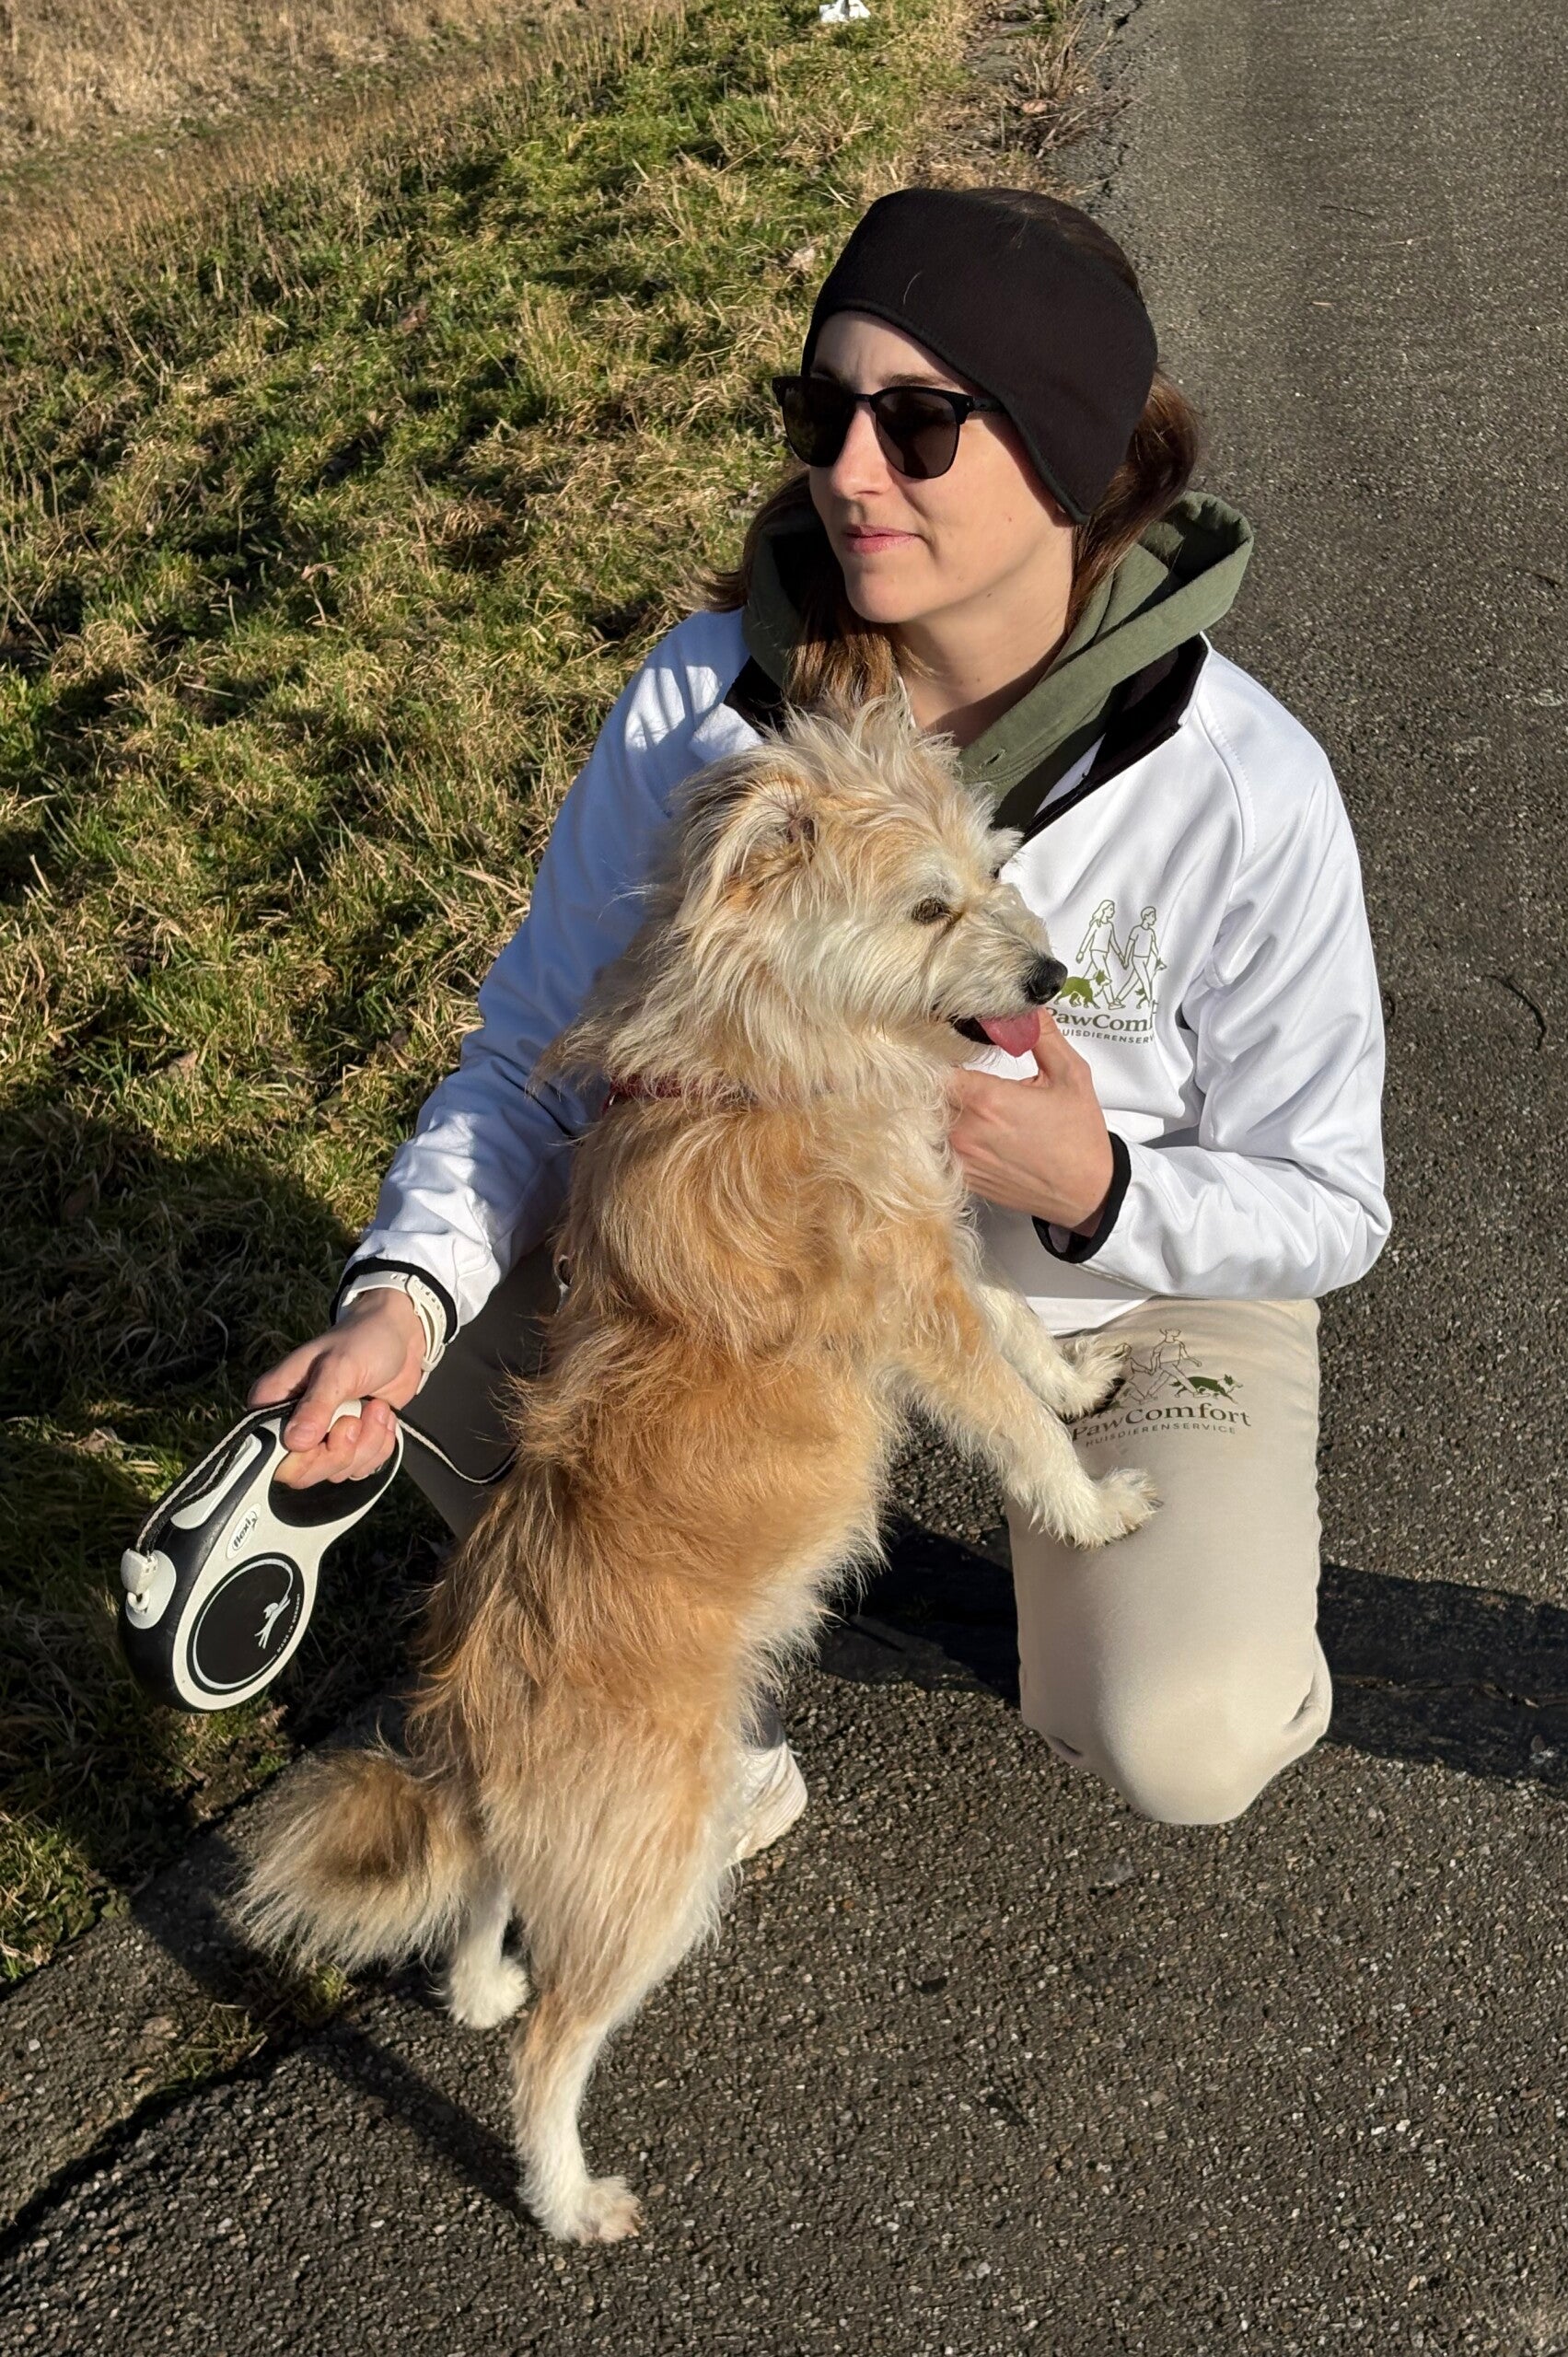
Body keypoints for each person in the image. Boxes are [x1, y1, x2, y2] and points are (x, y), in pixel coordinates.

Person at [249, 185, 1389, 1849]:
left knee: (1181, 1731)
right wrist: (398, 1301)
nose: (848, 472)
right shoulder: (703, 705)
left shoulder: (1244, 782)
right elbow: (528, 1065)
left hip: (1119, 1299)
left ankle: (1194, 1618)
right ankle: (698, 1732)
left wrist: (1100, 1187)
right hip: (764, 1287)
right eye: (822, 411)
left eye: (918, 425)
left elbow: (1333, 1200)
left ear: (1068, 456)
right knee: (431, 1349)